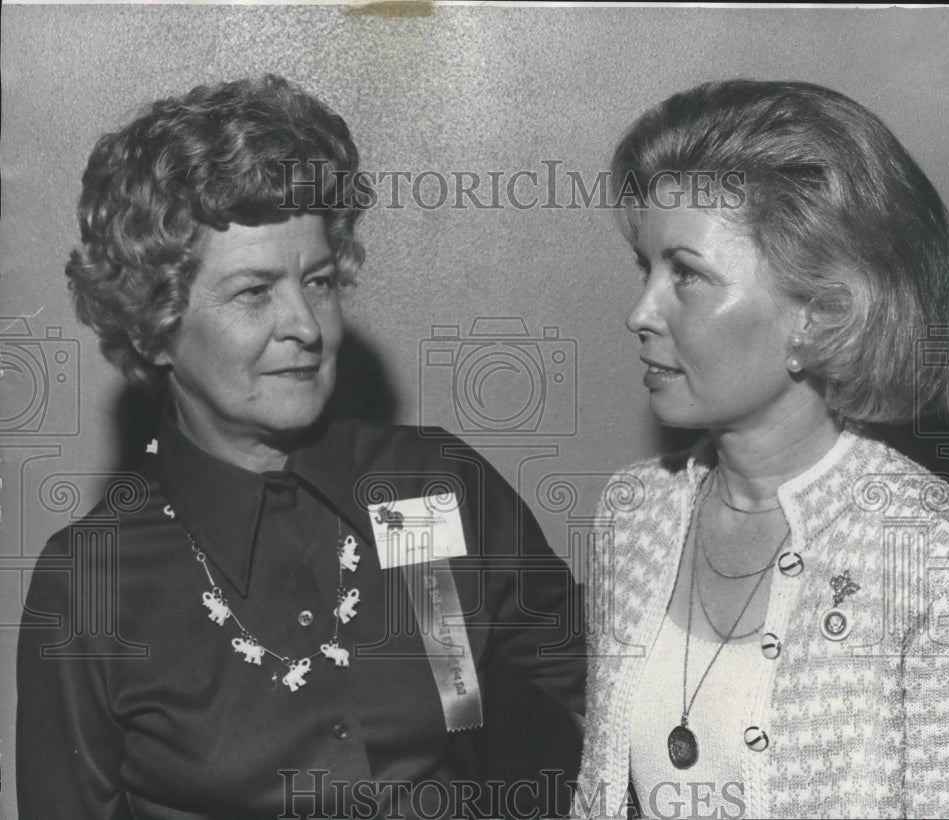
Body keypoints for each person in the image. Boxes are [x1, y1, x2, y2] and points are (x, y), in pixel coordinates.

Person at [16, 75, 584, 819]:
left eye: (317, 282)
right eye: (255, 292)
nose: (307, 328)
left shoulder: (423, 491)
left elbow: (591, 706)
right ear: (154, 325)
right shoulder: (93, 580)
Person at [577, 80, 949, 819]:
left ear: (820, 313)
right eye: (644, 270)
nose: (640, 312)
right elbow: (600, 794)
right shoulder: (633, 510)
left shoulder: (939, 558)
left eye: (688, 276)